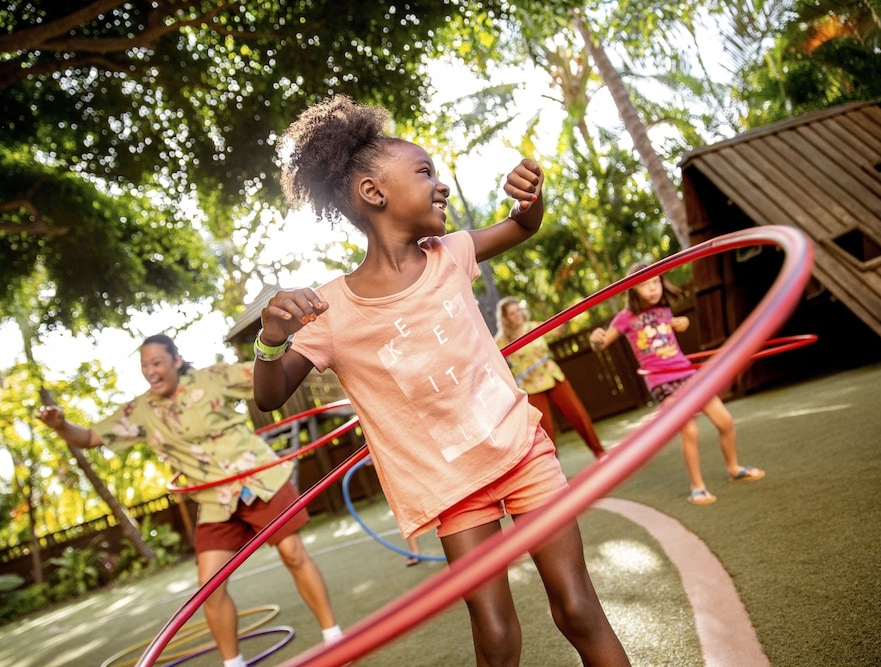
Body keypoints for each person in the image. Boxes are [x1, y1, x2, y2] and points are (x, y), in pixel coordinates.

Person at [252, 95, 629, 666]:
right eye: (424, 172)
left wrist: (532, 199)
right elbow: (269, 395)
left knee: (577, 607)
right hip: (450, 486)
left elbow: (522, 226)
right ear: (373, 193)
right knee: (496, 632)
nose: (441, 184)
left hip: (521, 451)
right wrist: (270, 339)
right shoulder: (330, 310)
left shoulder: (451, 253)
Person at [37, 334, 341, 667]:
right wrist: (61, 424)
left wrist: (314, 350)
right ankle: (233, 664)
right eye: (144, 366)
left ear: (176, 361)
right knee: (208, 587)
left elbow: (271, 376)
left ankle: (334, 639)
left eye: (157, 363)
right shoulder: (141, 410)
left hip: (258, 478)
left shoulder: (213, 378)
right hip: (214, 501)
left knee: (292, 553)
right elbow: (91, 437)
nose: (150, 371)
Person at [589, 262, 766, 505]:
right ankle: (697, 486)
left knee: (725, 420)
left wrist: (683, 323)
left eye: (655, 282)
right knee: (689, 430)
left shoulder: (664, 309)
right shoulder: (625, 318)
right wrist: (595, 339)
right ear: (633, 290)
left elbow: (675, 328)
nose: (652, 289)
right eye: (644, 285)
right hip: (662, 381)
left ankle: (734, 468)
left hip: (686, 374)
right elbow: (601, 345)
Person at [494, 296, 607, 459]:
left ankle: (600, 452)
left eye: (518, 310)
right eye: (512, 313)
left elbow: (558, 330)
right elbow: (492, 358)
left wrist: (568, 313)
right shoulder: (501, 341)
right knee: (545, 430)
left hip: (552, 376)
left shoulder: (533, 326)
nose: (517, 315)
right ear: (505, 318)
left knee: (578, 415)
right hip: (531, 385)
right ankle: (555, 473)